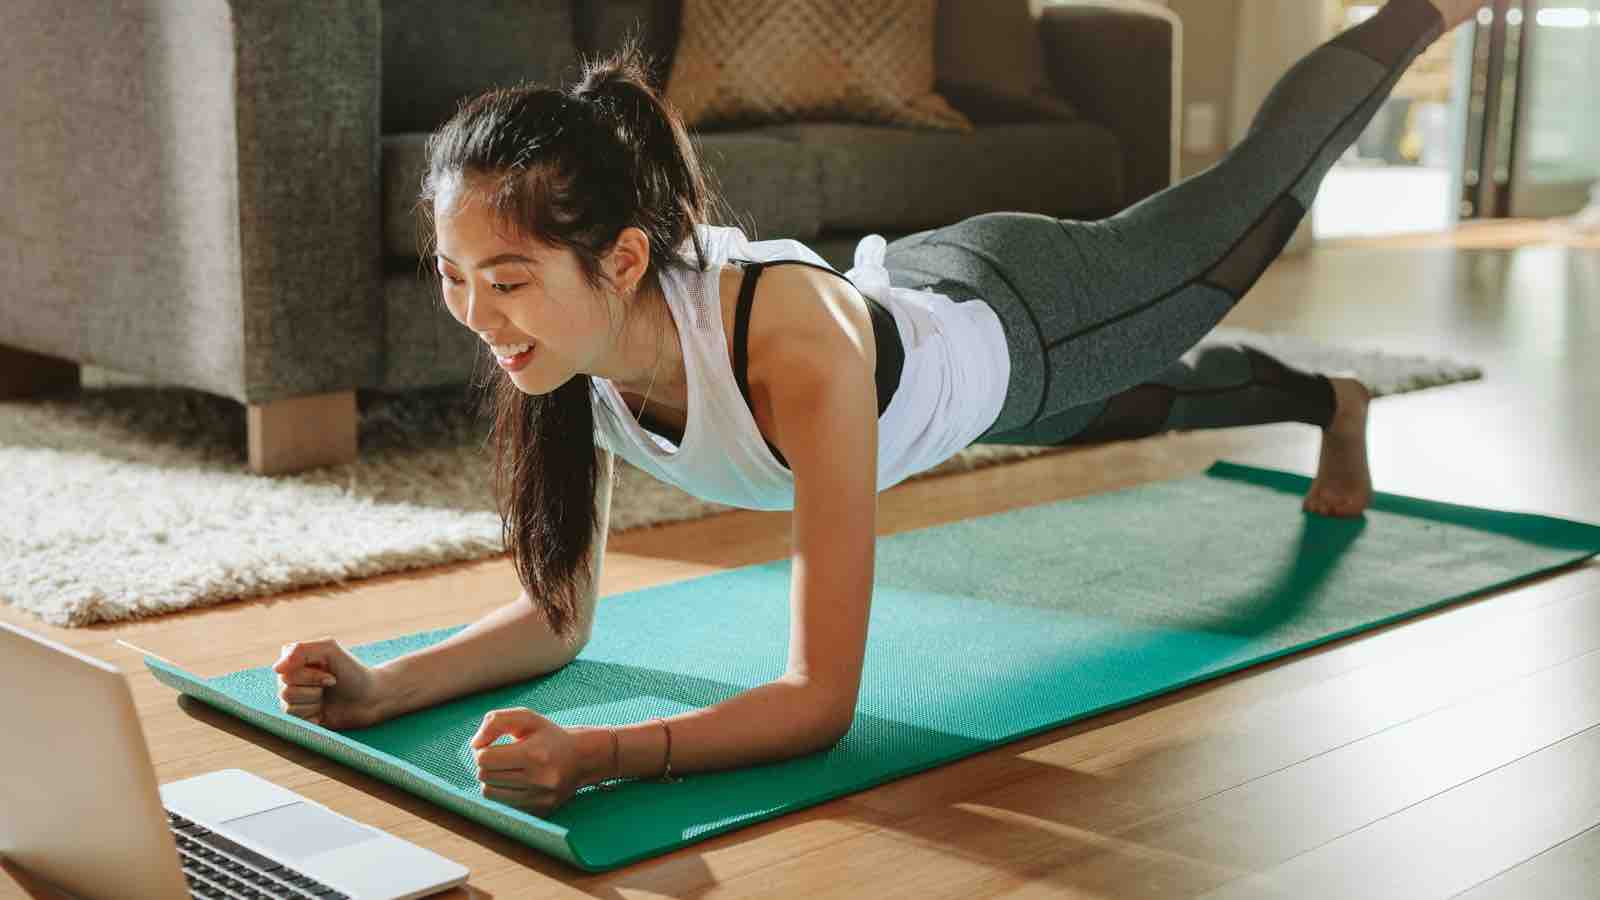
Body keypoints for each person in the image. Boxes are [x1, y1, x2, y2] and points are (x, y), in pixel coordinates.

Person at [273, 0, 1478, 817]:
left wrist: (603, 758)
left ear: (625, 261)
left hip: (1032, 316)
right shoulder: (557, 356)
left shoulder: (789, 353)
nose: (476, 316)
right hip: (948, 351)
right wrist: (387, 686)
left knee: (1246, 209)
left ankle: (1423, 11)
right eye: (453, 275)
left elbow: (819, 702)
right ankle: (1331, 399)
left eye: (510, 278)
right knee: (1157, 405)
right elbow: (558, 624)